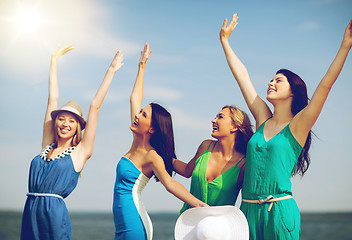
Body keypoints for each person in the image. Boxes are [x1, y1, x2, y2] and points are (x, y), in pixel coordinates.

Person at [220, 14, 352, 239]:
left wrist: (345, 46)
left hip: (279, 211)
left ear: (293, 90)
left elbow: (325, 85)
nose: (270, 83)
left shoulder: (299, 125)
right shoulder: (263, 118)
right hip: (248, 211)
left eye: (278, 80)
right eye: (271, 79)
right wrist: (225, 41)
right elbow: (242, 77)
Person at [20, 45, 124, 240]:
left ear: (78, 126)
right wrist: (53, 61)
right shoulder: (47, 146)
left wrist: (110, 71)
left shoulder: (80, 152)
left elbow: (95, 106)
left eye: (72, 120)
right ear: (56, 121)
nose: (65, 123)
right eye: (61, 118)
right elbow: (52, 98)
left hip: (53, 217)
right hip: (30, 213)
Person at [112, 43, 207, 240]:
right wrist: (142, 66)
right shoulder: (136, 139)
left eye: (143, 114)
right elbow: (134, 99)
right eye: (139, 112)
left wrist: (199, 204)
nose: (137, 115)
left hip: (134, 225)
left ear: (152, 128)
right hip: (122, 225)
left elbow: (170, 184)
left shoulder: (152, 156)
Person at [173, 105, 253, 214]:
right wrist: (162, 156)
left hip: (220, 226)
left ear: (234, 126)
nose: (213, 120)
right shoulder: (206, 146)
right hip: (189, 222)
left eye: (220, 117)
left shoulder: (244, 165)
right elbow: (187, 170)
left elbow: (249, 200)